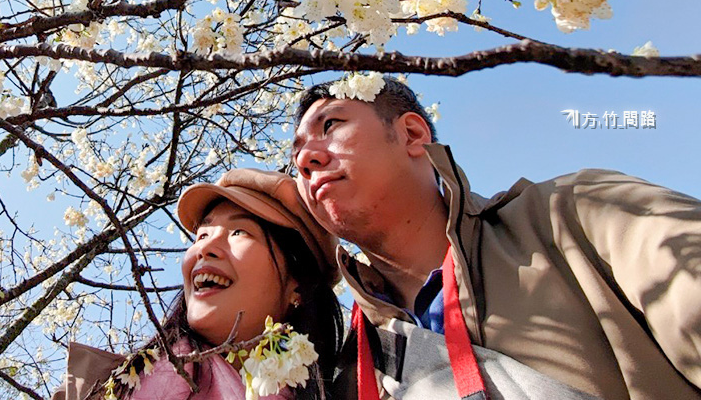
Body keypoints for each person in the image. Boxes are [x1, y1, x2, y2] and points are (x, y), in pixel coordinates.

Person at [290, 77, 701, 400]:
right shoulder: (350, 368)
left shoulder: (578, 215)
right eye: (297, 154)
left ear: (413, 135)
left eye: (331, 126)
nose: (307, 159)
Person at [53, 169, 344, 400]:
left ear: (297, 285)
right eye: (201, 236)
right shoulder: (104, 388)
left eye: (239, 232)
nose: (206, 248)